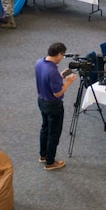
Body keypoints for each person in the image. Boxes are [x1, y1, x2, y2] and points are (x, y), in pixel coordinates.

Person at [35, 41, 76, 171]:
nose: (62, 58)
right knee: (54, 133)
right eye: (62, 56)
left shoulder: (39, 63)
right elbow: (57, 93)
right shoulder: (52, 71)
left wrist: (60, 77)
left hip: (42, 100)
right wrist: (68, 82)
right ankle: (50, 162)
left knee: (45, 128)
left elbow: (47, 80)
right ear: (58, 54)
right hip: (53, 105)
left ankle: (43, 155)